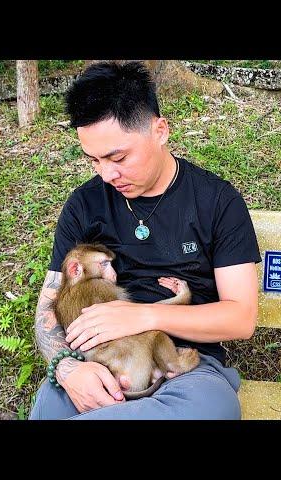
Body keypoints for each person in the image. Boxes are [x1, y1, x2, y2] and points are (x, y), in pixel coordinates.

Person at [29, 61, 260, 420]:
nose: (107, 174)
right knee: (51, 405)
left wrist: (141, 316)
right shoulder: (84, 205)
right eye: (93, 160)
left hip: (184, 367)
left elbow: (240, 318)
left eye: (117, 157)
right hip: (99, 362)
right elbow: (49, 307)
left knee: (210, 408)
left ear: (160, 131)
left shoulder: (217, 201)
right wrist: (66, 368)